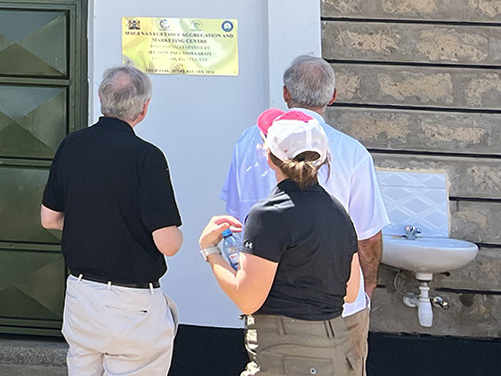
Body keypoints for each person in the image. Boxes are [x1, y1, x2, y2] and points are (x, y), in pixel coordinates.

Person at [220, 55, 386, 373]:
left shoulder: (247, 143)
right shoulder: (351, 153)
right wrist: (367, 286)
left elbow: (235, 222)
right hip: (339, 304)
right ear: (332, 96)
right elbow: (367, 236)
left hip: (266, 301)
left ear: (286, 94)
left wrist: (219, 260)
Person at [40, 63, 183, 376]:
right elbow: (168, 243)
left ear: (102, 100)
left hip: (81, 296)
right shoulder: (147, 157)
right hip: (132, 304)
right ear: (143, 109)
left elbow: (49, 219)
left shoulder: (71, 145)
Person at [200, 110, 362, 375]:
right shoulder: (339, 212)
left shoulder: (268, 214)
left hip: (284, 351)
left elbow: (248, 300)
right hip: (335, 349)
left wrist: (210, 251)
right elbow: (352, 290)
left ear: (268, 156)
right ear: (322, 159)